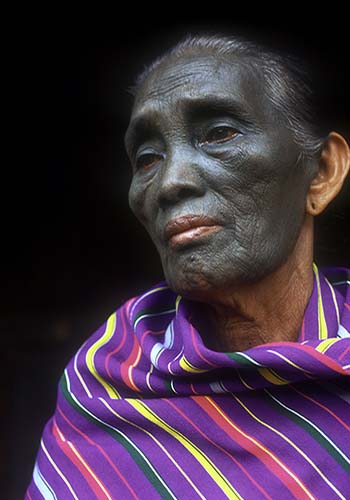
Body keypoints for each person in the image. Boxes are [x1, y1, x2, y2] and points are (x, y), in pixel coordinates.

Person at [26, 33, 350, 499]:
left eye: (219, 133)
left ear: (321, 173)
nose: (170, 182)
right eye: (147, 158)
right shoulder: (108, 393)